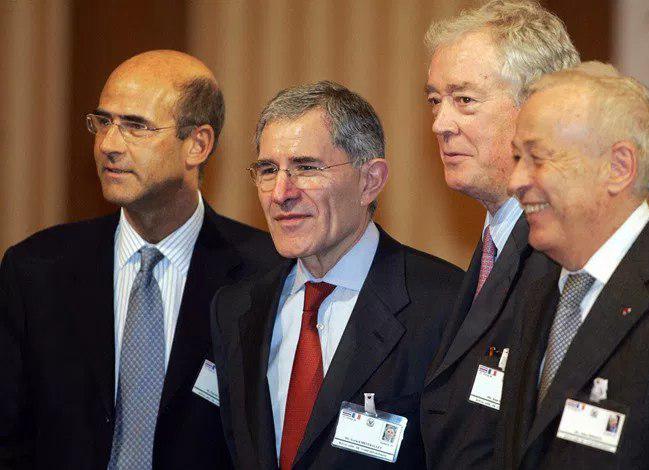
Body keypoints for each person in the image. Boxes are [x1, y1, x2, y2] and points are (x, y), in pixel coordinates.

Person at [0, 50, 280, 469]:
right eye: (103, 122)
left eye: (135, 126)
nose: (108, 145)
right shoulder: (36, 269)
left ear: (198, 144)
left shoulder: (267, 274)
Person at [210, 81, 463, 469]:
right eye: (268, 170)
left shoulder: (444, 306)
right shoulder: (235, 308)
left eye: (306, 168)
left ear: (370, 181)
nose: (281, 193)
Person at [496, 61, 649, 468]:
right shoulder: (536, 290)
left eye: (537, 158)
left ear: (618, 168)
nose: (515, 181)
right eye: (516, 157)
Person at [420, 1, 579, 467]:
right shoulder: (496, 239)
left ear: (537, 108)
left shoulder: (568, 256)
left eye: (464, 100)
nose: (440, 124)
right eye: (435, 100)